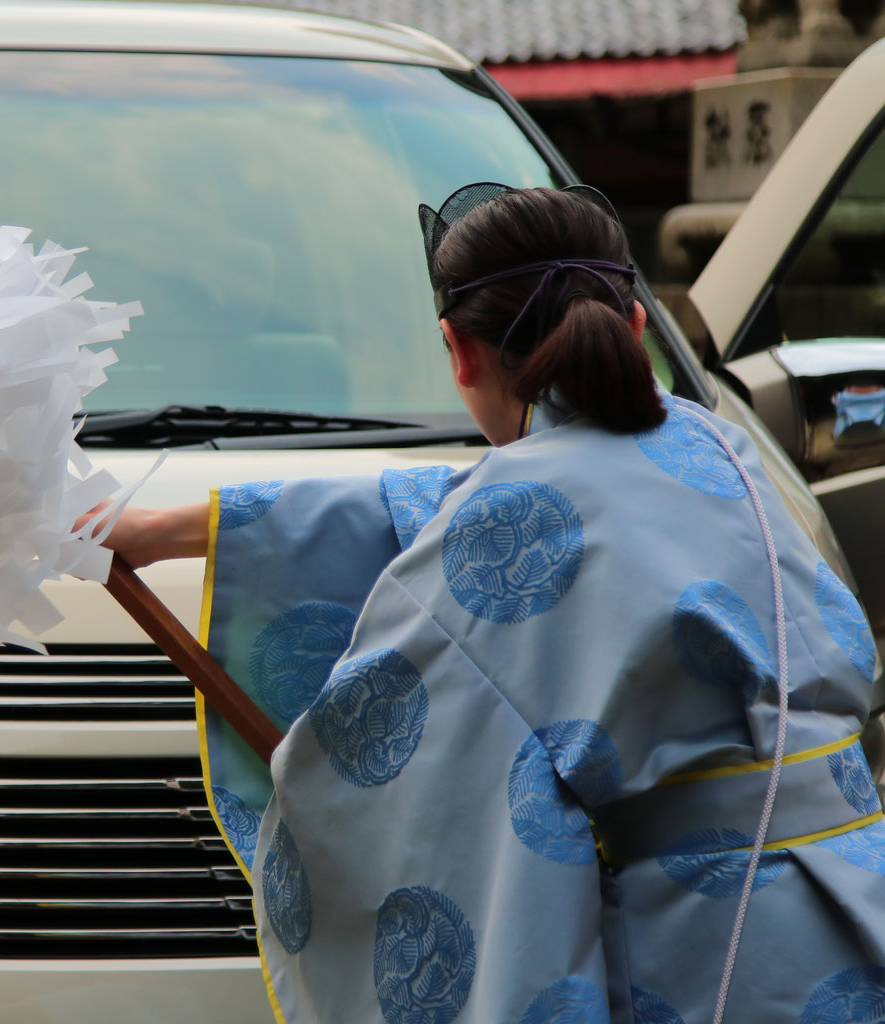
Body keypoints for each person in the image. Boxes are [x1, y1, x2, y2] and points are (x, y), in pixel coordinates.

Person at [98, 184, 885, 1023]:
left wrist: (308, 790)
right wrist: (172, 528)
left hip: (707, 953)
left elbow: (378, 772)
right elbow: (456, 500)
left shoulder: (510, 509)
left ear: (458, 350)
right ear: (636, 327)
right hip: (856, 904)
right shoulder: (719, 445)